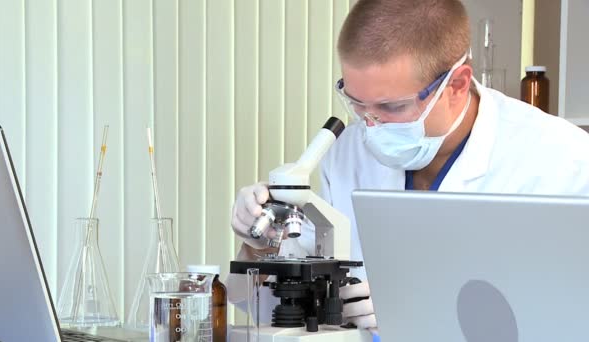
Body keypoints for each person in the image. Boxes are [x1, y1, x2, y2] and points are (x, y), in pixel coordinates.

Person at [228, 0, 589, 333]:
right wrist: (259, 246)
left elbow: (564, 320)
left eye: (392, 107)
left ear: (458, 84)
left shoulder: (560, 162)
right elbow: (274, 308)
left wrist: (422, 313)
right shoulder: (347, 155)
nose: (371, 124)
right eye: (357, 103)